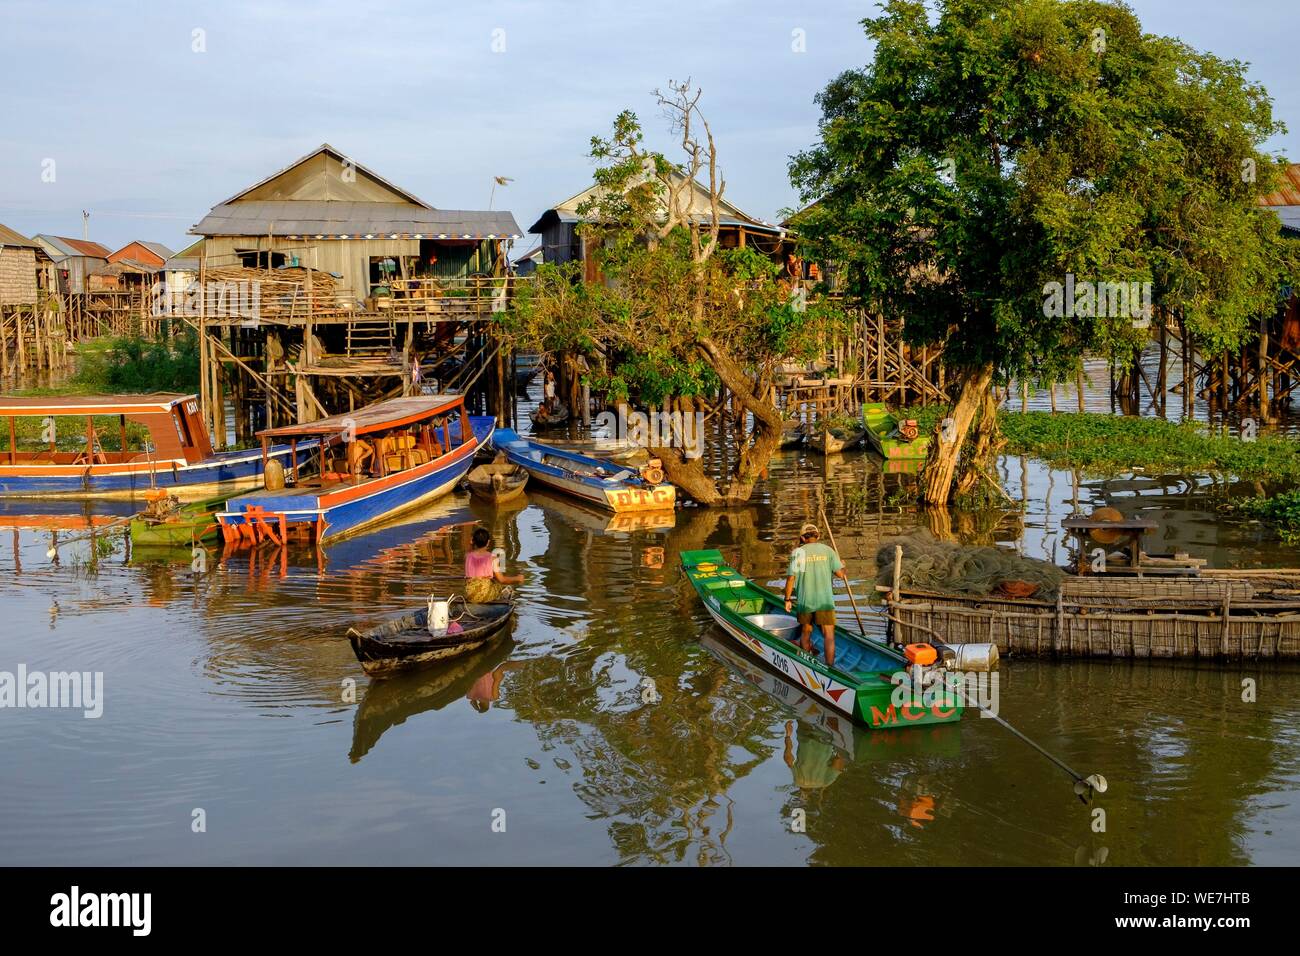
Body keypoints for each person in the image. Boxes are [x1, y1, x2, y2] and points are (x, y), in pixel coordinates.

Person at [783, 523, 848, 667]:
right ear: (817, 536)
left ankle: (807, 664)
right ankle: (830, 667)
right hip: (825, 601)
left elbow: (791, 579)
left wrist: (787, 599)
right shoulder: (828, 551)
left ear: (802, 538)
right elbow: (840, 575)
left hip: (805, 602)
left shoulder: (798, 553)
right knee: (829, 636)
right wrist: (843, 566)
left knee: (806, 632)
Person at [465, 526, 523, 604]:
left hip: (470, 595)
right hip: (484, 595)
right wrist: (518, 578)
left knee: (493, 580)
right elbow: (502, 579)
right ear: (488, 542)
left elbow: (471, 549)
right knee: (499, 585)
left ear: (473, 541)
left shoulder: (468, 556)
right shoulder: (492, 558)